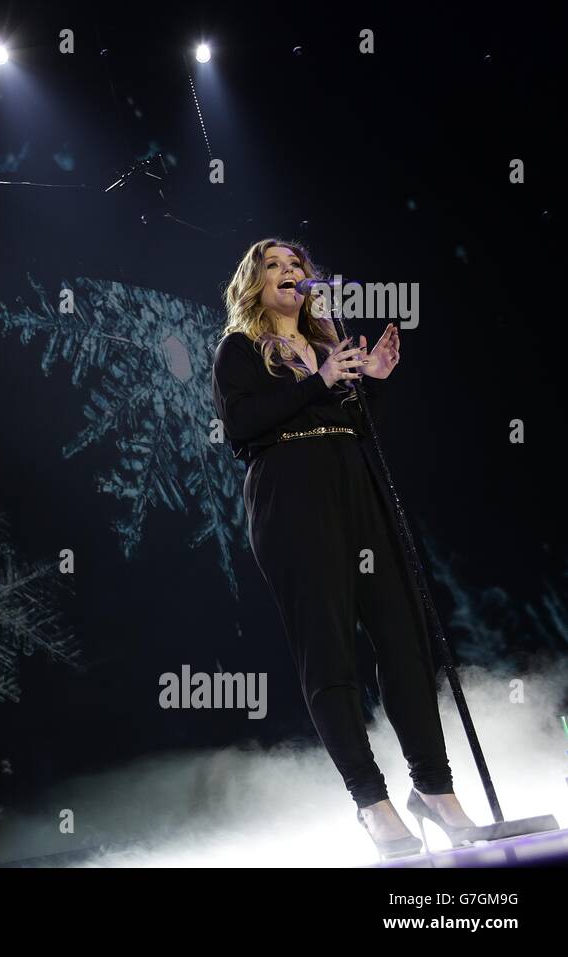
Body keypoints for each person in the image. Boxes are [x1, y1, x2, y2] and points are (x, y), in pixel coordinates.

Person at [210, 238, 484, 859]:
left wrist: (374, 383)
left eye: (297, 266)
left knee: (405, 639)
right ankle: (372, 801)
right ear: (254, 285)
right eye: (273, 266)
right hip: (291, 497)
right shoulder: (241, 348)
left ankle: (435, 792)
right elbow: (241, 427)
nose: (289, 274)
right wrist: (319, 381)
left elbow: (361, 428)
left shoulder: (330, 343)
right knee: (328, 652)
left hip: (356, 488)